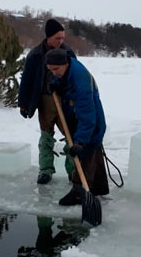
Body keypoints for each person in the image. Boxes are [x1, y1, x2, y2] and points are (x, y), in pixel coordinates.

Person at [44, 48, 109, 206]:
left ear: (65, 64)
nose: (54, 72)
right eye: (50, 70)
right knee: (94, 154)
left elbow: (87, 116)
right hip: (79, 119)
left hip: (91, 124)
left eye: (56, 69)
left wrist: (79, 141)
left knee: (86, 153)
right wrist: (54, 84)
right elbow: (61, 80)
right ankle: (99, 188)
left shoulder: (80, 80)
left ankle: (79, 192)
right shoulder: (67, 70)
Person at [18, 18, 77, 185]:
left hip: (65, 101)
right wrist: (23, 102)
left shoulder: (68, 53)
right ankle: (45, 170)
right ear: (49, 37)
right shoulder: (36, 54)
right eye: (58, 38)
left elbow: (76, 78)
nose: (61, 41)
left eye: (63, 38)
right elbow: (27, 80)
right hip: (44, 100)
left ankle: (73, 171)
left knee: (70, 136)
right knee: (46, 137)